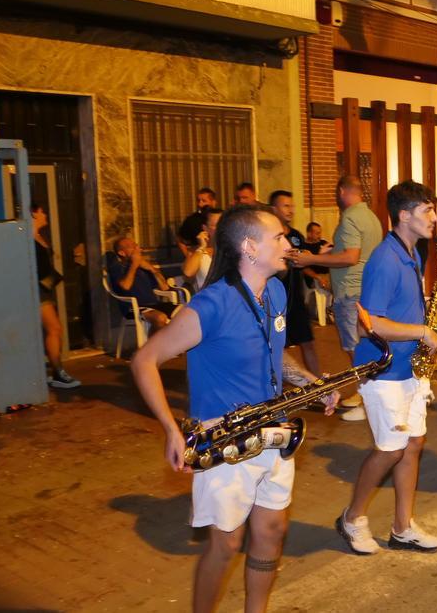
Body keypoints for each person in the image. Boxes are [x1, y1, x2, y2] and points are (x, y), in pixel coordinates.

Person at [131, 204, 338, 613]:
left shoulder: (275, 292)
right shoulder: (212, 304)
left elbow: (273, 354)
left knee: (272, 531)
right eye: (278, 236)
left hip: (274, 433)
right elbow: (144, 361)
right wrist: (172, 431)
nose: (287, 243)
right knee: (225, 544)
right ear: (249, 246)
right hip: (226, 439)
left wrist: (312, 385)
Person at [336, 181, 437, 556]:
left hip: (407, 368)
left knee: (413, 445)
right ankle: (352, 518)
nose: (433, 217)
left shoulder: (411, 253)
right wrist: (421, 331)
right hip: (381, 369)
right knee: (390, 449)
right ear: (404, 215)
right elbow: (372, 321)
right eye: (427, 210)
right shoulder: (385, 259)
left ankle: (402, 527)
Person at [289, 176, 383, 421]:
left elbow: (351, 257)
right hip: (365, 289)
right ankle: (364, 394)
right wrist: (329, 252)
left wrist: (312, 259)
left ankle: (370, 400)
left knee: (355, 348)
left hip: (350, 291)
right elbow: (358, 253)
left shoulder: (350, 217)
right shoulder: (371, 217)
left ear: (342, 191)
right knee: (362, 346)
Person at [267, 190, 322, 378]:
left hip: (295, 300)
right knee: (275, 347)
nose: (291, 210)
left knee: (308, 343)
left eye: (292, 206)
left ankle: (320, 387)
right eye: (286, 206)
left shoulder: (297, 236)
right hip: (274, 302)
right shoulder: (266, 236)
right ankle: (275, 391)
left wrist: (308, 261)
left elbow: (304, 263)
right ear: (274, 209)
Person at [33, 204, 80, 388]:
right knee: (54, 329)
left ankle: (55, 371)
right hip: (37, 290)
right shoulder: (26, 237)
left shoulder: (39, 236)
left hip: (45, 289)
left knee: (52, 330)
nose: (45, 214)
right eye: (41, 211)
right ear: (33, 213)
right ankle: (57, 371)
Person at [108, 236, 177, 332]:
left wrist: (151, 269)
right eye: (131, 246)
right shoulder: (118, 267)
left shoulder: (143, 266)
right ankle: (154, 346)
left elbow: (164, 287)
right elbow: (125, 286)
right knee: (160, 318)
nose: (136, 248)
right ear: (122, 253)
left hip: (154, 304)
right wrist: (134, 265)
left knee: (186, 312)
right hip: (134, 307)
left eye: (135, 245)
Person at [181, 207, 222, 291]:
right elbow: (188, 273)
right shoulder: (197, 252)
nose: (221, 228)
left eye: (224, 224)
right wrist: (202, 247)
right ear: (205, 228)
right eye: (216, 225)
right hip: (209, 301)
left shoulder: (232, 249)